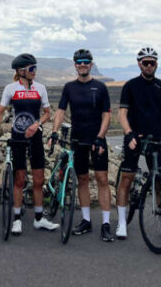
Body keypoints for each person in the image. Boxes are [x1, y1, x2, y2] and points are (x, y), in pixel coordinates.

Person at [115, 46, 161, 240]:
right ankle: (122, 223)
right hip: (134, 138)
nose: (148, 65)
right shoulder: (130, 86)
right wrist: (128, 133)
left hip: (155, 139)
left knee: (159, 182)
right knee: (127, 178)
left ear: (156, 64)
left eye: (152, 62)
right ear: (139, 64)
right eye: (145, 62)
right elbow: (122, 113)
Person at [0, 53, 59, 235]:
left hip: (35, 136)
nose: (35, 72)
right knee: (19, 179)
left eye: (36, 68)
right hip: (18, 136)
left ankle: (38, 218)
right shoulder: (11, 89)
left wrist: (37, 124)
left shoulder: (40, 88)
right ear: (21, 71)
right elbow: (0, 112)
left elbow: (47, 113)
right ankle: (17, 218)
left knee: (38, 179)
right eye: (32, 69)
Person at [49, 49, 114, 242]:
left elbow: (107, 114)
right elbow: (60, 110)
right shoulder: (69, 87)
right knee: (83, 179)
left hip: (97, 140)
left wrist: (100, 137)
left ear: (91, 64)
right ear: (75, 65)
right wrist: (54, 131)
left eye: (86, 61)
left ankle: (106, 224)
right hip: (78, 140)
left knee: (102, 179)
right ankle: (86, 220)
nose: (83, 64)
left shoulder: (101, 88)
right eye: (79, 62)